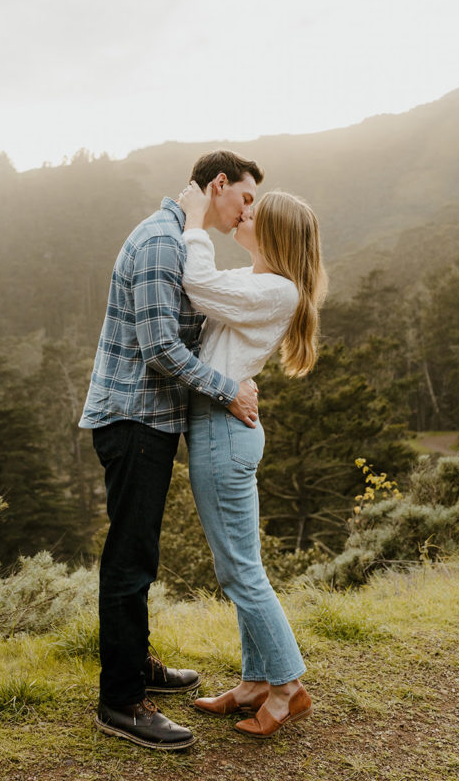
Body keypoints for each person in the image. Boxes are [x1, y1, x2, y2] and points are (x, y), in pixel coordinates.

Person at [79, 150, 264, 751]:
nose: (247, 210)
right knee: (130, 558)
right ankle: (121, 700)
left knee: (141, 550)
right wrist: (228, 389)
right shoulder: (162, 241)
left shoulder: (176, 236)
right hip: (134, 418)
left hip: (149, 420)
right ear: (218, 185)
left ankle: (139, 669)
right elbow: (160, 346)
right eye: (244, 197)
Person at [177, 181, 327, 739]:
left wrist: (194, 222)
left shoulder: (278, 292)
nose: (244, 211)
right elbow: (215, 293)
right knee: (238, 567)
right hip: (222, 428)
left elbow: (198, 284)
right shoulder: (258, 281)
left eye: (254, 210)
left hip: (222, 433)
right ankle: (254, 682)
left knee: (240, 571)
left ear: (273, 232)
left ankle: (288, 688)